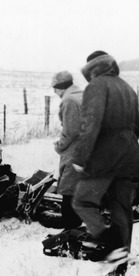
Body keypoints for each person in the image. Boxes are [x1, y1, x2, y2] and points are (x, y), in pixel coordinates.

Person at [71, 51, 139, 276]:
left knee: (82, 201)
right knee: (122, 212)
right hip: (130, 156)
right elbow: (137, 129)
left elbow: (90, 125)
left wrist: (80, 157)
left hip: (105, 158)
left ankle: (112, 246)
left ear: (92, 68)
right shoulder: (127, 88)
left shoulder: (96, 86)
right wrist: (126, 149)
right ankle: (120, 267)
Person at [51, 70, 84, 229]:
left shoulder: (69, 100)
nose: (54, 92)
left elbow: (71, 131)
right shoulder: (82, 94)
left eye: (54, 88)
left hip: (76, 150)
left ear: (60, 87)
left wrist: (59, 146)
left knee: (68, 189)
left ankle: (71, 230)